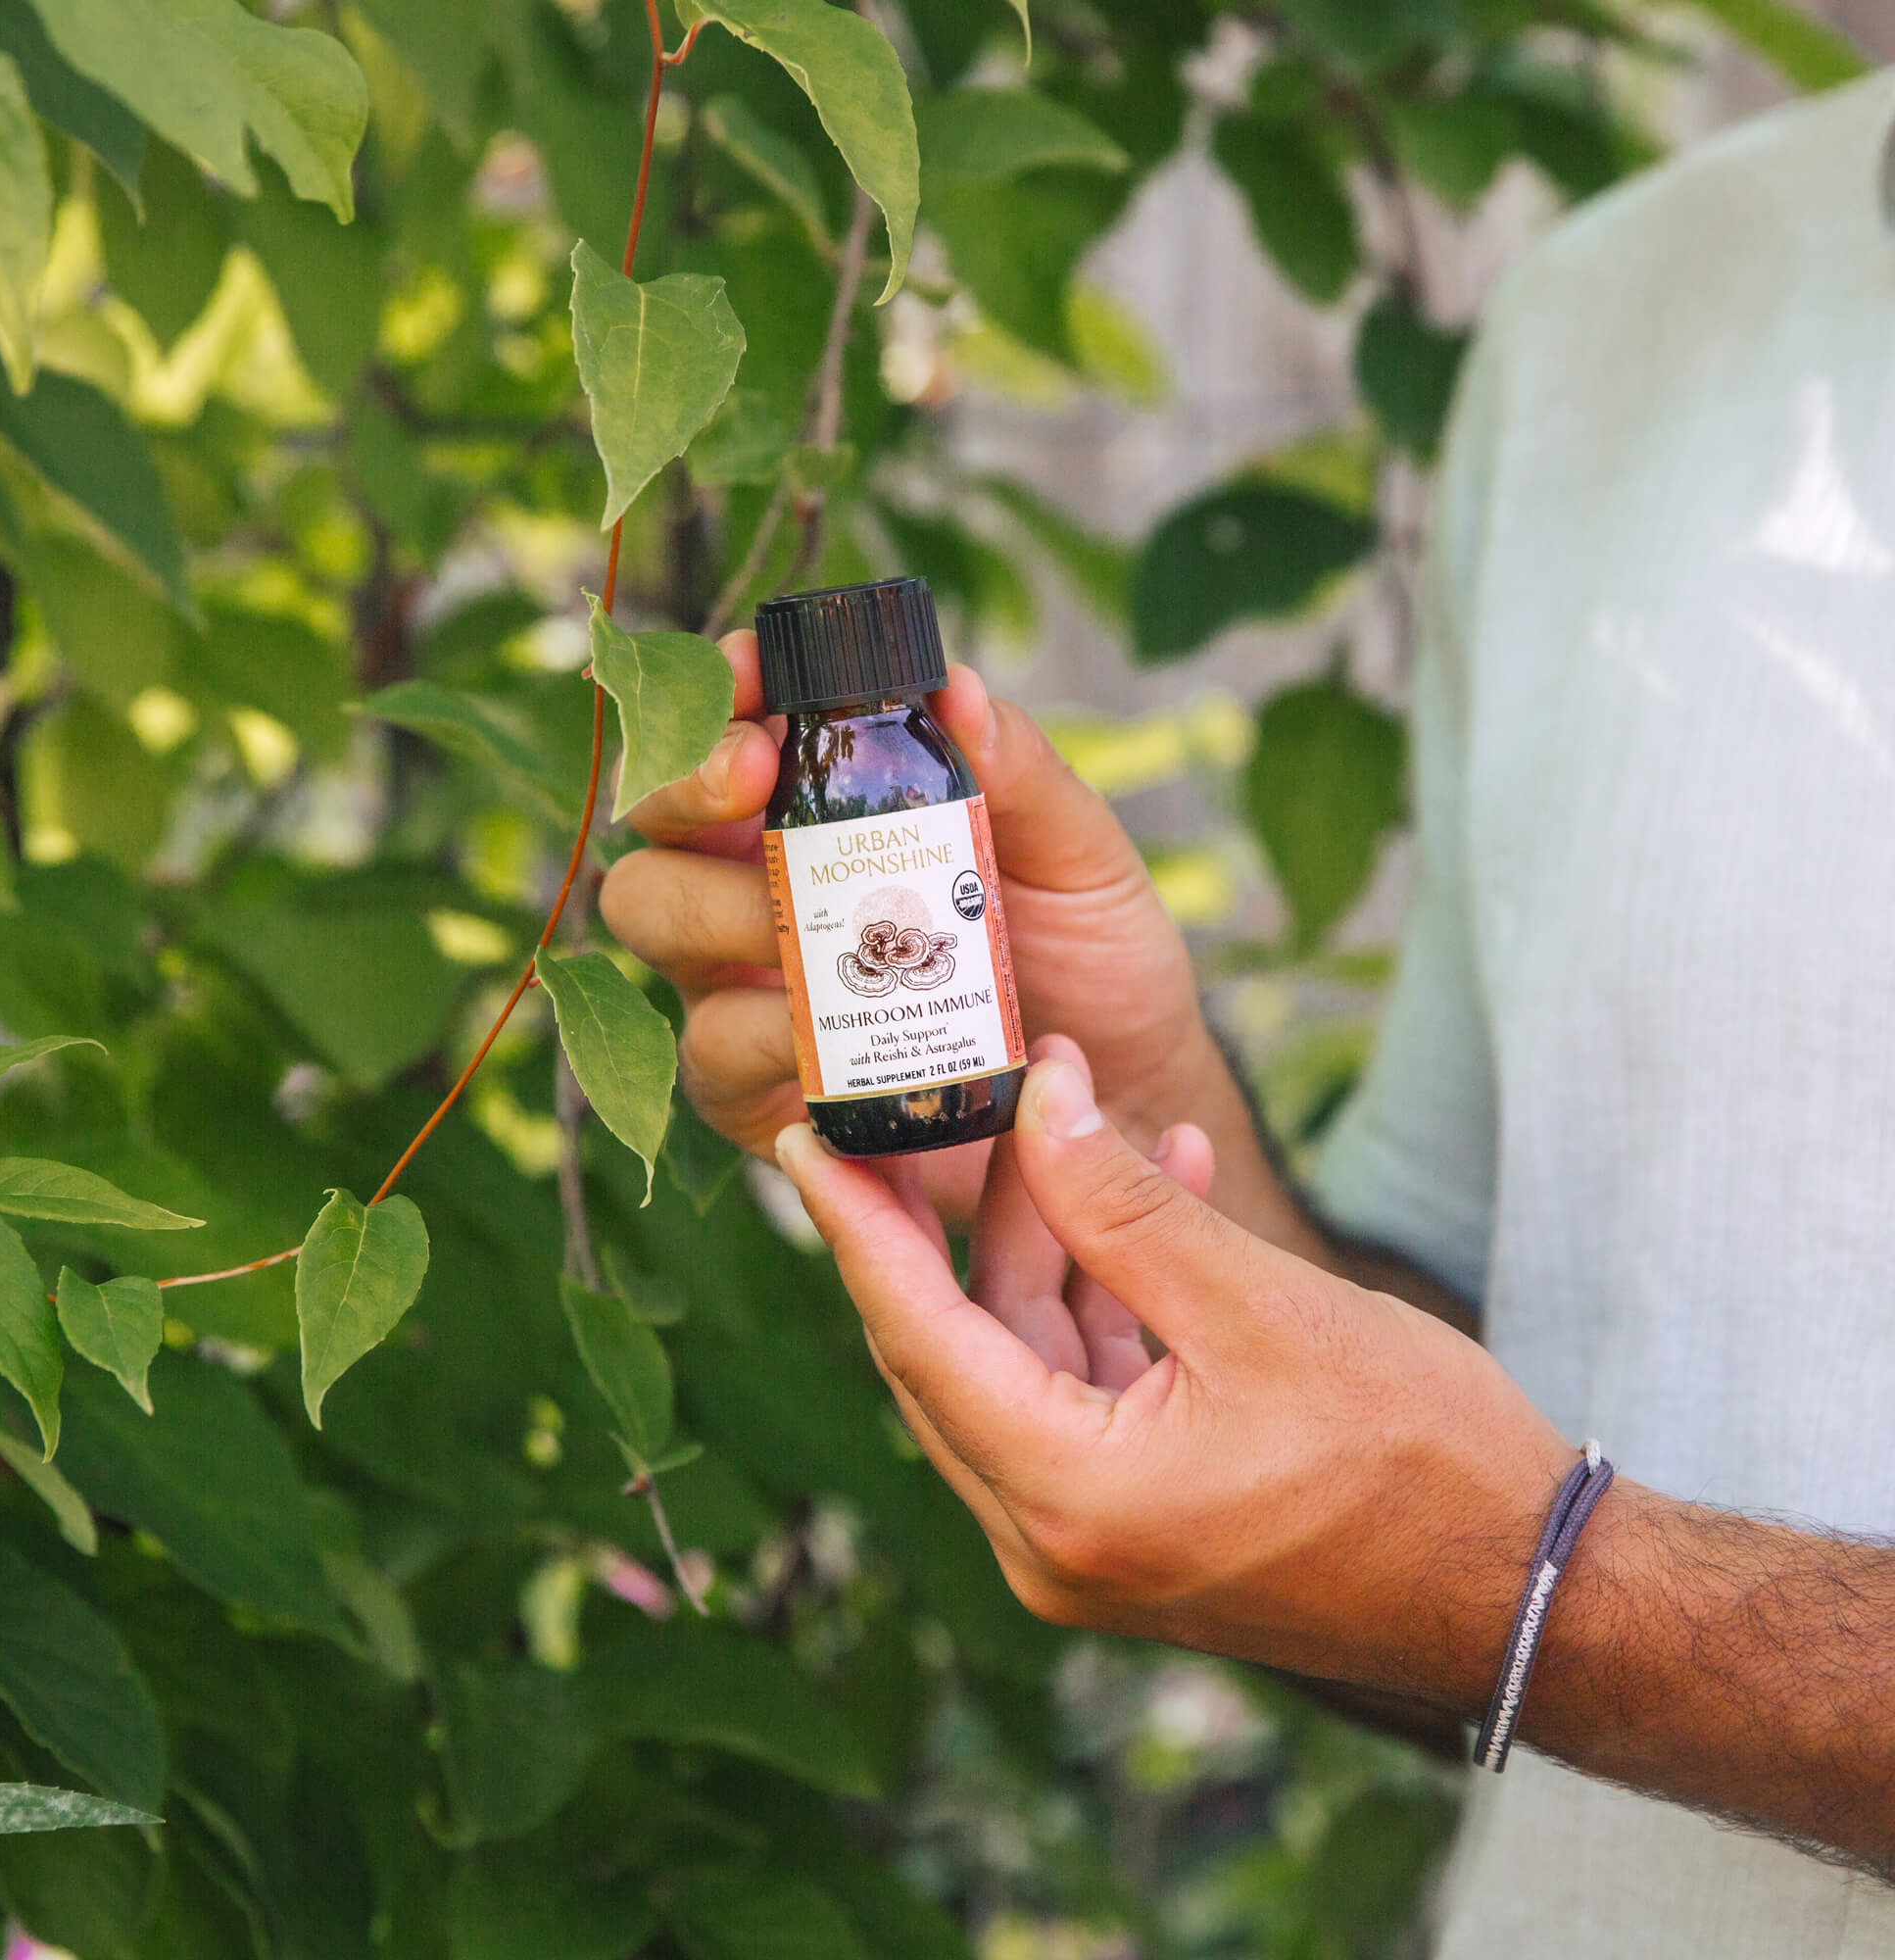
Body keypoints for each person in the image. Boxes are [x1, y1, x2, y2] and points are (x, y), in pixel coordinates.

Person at [600, 66, 1895, 1957]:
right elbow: (1492, 1456)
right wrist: (1136, 1164)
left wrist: (1548, 1597)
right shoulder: (1614, 317)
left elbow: (1514, 1562)